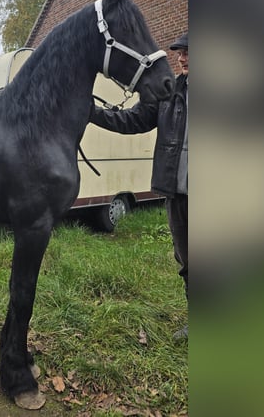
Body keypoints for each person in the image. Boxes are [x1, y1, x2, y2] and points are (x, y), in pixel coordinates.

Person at [90, 32, 188, 340]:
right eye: (180, 53)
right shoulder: (169, 93)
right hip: (178, 189)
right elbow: (133, 120)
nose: (182, 58)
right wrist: (92, 113)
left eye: (188, 52)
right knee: (186, 256)